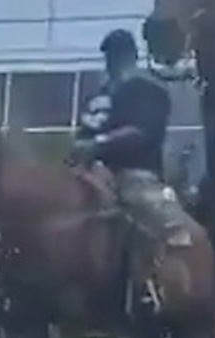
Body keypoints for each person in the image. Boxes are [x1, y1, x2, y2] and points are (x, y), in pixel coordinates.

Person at [72, 29, 183, 252]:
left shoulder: (147, 90)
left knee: (174, 233)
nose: (112, 62)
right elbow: (83, 135)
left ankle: (161, 277)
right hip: (92, 174)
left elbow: (140, 132)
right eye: (110, 56)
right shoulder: (98, 97)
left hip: (136, 176)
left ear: (132, 56)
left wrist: (97, 143)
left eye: (118, 55)